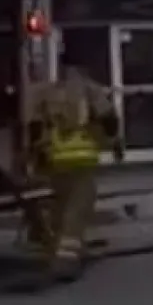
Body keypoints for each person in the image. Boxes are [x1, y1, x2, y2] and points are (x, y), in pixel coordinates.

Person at [27, 42, 123, 282]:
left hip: (55, 160)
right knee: (77, 209)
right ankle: (66, 258)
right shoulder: (90, 90)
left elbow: (35, 126)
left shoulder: (48, 92)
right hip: (82, 158)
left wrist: (35, 154)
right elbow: (109, 118)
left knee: (58, 205)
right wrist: (114, 142)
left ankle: (52, 250)